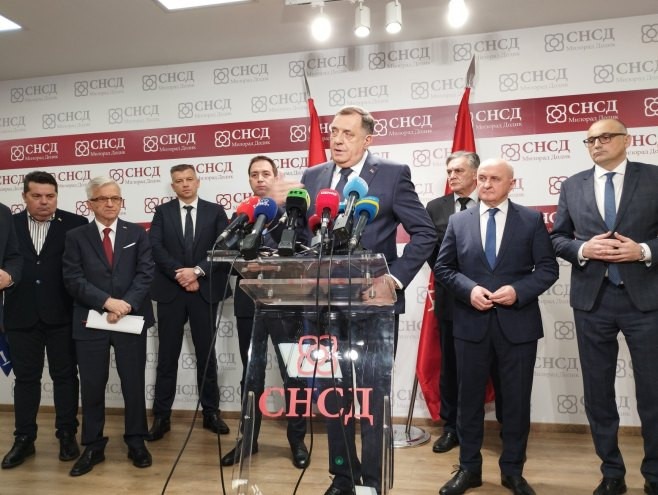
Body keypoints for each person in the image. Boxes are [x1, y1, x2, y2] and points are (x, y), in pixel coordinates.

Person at [301, 105, 437, 495]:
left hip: (374, 306)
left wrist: (393, 279)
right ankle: (343, 477)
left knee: (373, 398)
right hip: (326, 305)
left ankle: (372, 482)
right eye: (333, 132)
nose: (337, 140)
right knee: (334, 396)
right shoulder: (313, 177)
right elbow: (306, 236)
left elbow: (425, 233)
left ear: (367, 139)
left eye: (347, 133)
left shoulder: (392, 174)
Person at [435, 159, 558, 495]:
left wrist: (519, 291)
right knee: (468, 401)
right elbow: (444, 268)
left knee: (516, 403)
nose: (486, 184)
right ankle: (469, 469)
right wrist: (469, 290)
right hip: (470, 325)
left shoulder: (530, 220)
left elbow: (548, 269)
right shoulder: (459, 221)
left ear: (511, 184)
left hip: (518, 326)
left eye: (494, 179)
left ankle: (513, 471)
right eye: (482, 178)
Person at [551, 118, 658, 495]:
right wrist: (583, 248)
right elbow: (558, 238)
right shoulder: (572, 185)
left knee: (653, 391)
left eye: (606, 137)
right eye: (590, 140)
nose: (597, 144)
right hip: (592, 301)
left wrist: (642, 250)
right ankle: (612, 472)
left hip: (646, 300)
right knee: (598, 392)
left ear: (627, 140)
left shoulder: (654, 177)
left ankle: (655, 474)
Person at [221, 155, 309, 469]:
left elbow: (304, 253)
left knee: (294, 376)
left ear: (275, 177)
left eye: (265, 174)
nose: (260, 179)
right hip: (251, 304)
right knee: (251, 376)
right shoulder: (243, 214)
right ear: (249, 180)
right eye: (254, 174)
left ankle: (297, 441)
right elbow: (231, 254)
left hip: (287, 305)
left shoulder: (293, 213)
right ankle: (248, 440)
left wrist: (268, 241)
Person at [62, 176, 154, 476]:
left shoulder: (137, 233)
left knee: (133, 383)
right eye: (103, 198)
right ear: (90, 203)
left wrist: (125, 304)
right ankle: (93, 445)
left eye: (115, 198)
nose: (110, 204)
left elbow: (145, 273)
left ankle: (136, 440)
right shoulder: (76, 236)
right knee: (92, 385)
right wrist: (107, 302)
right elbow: (73, 278)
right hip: (91, 320)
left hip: (130, 317)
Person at [2, 172, 86, 470]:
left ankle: (67, 434)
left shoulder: (76, 224)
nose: (44, 202)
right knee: (26, 379)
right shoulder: (8, 224)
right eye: (36, 196)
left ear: (57, 196)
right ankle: (24, 438)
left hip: (63, 314)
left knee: (65, 377)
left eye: (50, 196)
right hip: (20, 314)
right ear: (24, 196)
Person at [147, 164, 231, 441]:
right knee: (167, 357)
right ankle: (161, 416)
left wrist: (196, 271)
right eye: (179, 181)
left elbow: (223, 247)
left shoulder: (215, 211)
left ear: (198, 182)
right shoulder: (162, 212)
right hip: (171, 291)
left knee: (206, 356)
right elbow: (156, 247)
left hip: (204, 291)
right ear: (173, 186)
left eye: (189, 179)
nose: (184, 184)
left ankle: (211, 413)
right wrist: (181, 274)